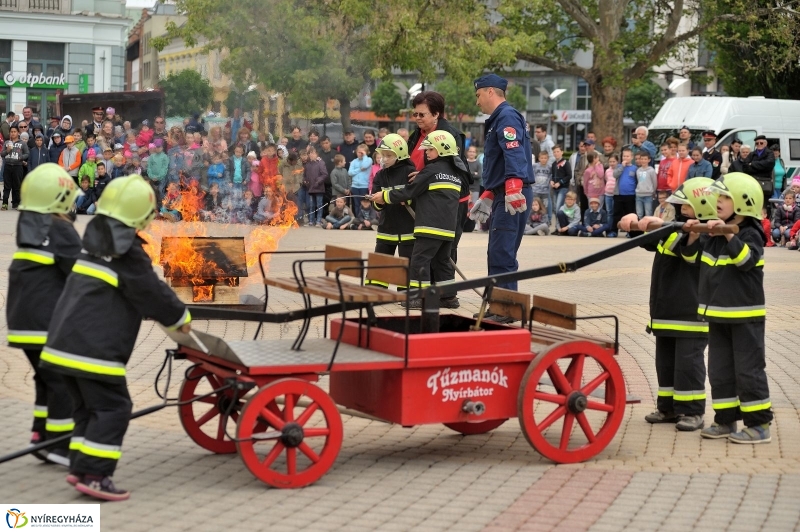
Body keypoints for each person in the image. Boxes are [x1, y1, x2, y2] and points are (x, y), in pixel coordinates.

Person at [41, 175, 190, 500]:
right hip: (93, 353)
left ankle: (80, 467)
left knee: (86, 412)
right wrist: (181, 318)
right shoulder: (129, 253)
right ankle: (95, 476)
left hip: (61, 348)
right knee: (114, 408)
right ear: (141, 217)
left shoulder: (94, 244)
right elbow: (152, 293)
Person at [680, 172, 772, 443]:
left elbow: (746, 261)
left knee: (748, 370)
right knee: (719, 371)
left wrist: (730, 236)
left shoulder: (750, 233)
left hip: (744, 316)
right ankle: (725, 421)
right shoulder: (716, 231)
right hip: (718, 315)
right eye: (718, 196)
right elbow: (690, 259)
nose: (717, 201)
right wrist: (696, 234)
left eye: (724, 197)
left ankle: (759, 424)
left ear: (744, 202)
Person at [619, 177, 716, 431]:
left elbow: (690, 255)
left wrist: (683, 232)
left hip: (689, 315)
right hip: (665, 311)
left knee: (688, 365)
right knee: (665, 363)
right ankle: (668, 408)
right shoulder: (677, 227)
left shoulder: (708, 233)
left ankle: (692, 411)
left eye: (686, 206)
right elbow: (651, 239)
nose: (681, 210)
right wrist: (634, 225)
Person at [7, 164, 83, 466]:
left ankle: (40, 437)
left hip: (22, 323)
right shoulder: (61, 229)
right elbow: (79, 272)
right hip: (45, 323)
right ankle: (60, 445)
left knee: (46, 379)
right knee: (63, 380)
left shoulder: (29, 223)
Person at [371, 130, 463, 308]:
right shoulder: (455, 173)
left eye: (430, 150)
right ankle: (449, 298)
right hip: (448, 228)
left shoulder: (430, 171)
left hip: (429, 227)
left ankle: (418, 298)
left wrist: (386, 196)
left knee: (420, 261)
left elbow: (409, 192)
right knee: (442, 262)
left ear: (442, 150)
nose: (426, 153)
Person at [469, 74, 533, 299]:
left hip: (511, 193)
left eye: (478, 95)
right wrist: (488, 193)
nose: (477, 102)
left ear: (490, 92)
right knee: (498, 252)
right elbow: (500, 161)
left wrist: (513, 187)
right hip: (503, 192)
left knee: (502, 253)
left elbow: (513, 151)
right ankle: (499, 304)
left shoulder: (505, 116)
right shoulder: (501, 117)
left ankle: (506, 307)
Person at [405, 91, 472, 264]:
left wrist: (425, 176)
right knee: (422, 253)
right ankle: (425, 290)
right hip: (425, 202)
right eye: (415, 114)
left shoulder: (450, 135)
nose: (417, 118)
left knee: (444, 256)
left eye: (422, 114)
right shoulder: (417, 134)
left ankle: (444, 291)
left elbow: (454, 170)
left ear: (436, 114)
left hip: (449, 203)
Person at [367, 134, 417, 286]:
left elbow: (413, 195)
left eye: (389, 155)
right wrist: (378, 202)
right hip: (386, 227)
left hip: (408, 229)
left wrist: (402, 197)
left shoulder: (410, 172)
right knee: (381, 261)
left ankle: (406, 294)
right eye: (382, 155)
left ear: (400, 154)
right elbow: (376, 205)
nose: (384, 159)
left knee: (406, 264)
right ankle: (376, 291)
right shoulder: (380, 175)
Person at [3, 125, 29, 210]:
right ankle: (5, 203)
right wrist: (7, 150)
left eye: (15, 132)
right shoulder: (7, 143)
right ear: (9, 133)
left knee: (17, 185)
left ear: (18, 133)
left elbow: (27, 154)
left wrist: (21, 157)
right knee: (7, 186)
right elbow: (2, 154)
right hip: (8, 166)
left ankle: (16, 202)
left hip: (18, 166)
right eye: (11, 132)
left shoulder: (22, 143)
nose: (13, 133)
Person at [612, 148, 637, 232]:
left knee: (629, 214)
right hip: (619, 194)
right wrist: (622, 166)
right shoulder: (619, 166)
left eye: (627, 156)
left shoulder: (634, 168)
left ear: (632, 157)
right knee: (616, 214)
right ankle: (614, 231)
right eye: (624, 156)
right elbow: (615, 175)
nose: (625, 158)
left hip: (630, 195)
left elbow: (636, 181)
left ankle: (629, 232)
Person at [303, 146, 328, 227]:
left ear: (317, 154)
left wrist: (318, 181)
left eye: (313, 153)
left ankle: (318, 220)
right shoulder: (307, 164)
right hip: (310, 188)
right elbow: (305, 175)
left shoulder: (321, 163)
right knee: (311, 205)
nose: (311, 155)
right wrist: (305, 181)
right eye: (310, 153)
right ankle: (311, 220)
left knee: (319, 205)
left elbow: (324, 174)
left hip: (318, 188)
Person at [348, 144, 372, 218]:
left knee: (364, 203)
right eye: (359, 152)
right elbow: (350, 172)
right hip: (355, 186)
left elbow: (365, 166)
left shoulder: (369, 160)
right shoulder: (354, 162)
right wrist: (359, 169)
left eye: (362, 152)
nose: (360, 154)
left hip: (364, 186)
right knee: (356, 204)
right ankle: (357, 218)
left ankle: (364, 218)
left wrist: (364, 156)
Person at [551, 145, 571, 220]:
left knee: (559, 207)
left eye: (558, 151)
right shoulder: (553, 164)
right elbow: (553, 175)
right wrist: (552, 181)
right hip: (555, 189)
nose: (556, 153)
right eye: (554, 152)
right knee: (555, 207)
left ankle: (559, 226)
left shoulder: (566, 163)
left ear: (562, 152)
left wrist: (560, 182)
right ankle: (557, 226)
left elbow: (569, 175)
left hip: (563, 188)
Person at [531, 151, 553, 221]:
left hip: (545, 191)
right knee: (534, 206)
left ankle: (545, 221)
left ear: (548, 158)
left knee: (544, 207)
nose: (543, 159)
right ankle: (533, 221)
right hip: (535, 190)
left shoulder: (550, 167)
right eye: (542, 158)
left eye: (545, 158)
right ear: (539, 158)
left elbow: (551, 177)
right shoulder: (534, 166)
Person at [635, 152, 657, 218]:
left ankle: (648, 227)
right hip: (639, 194)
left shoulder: (651, 170)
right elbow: (638, 181)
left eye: (645, 159)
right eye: (641, 159)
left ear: (649, 160)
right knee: (639, 213)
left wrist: (654, 191)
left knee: (648, 212)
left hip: (648, 195)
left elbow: (654, 182)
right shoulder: (638, 170)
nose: (643, 161)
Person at [603, 154, 618, 236]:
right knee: (609, 213)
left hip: (615, 194)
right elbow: (606, 180)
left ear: (617, 162)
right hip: (607, 194)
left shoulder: (619, 170)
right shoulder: (607, 171)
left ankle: (614, 230)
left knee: (615, 213)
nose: (612, 163)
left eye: (614, 161)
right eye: (610, 162)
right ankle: (608, 230)